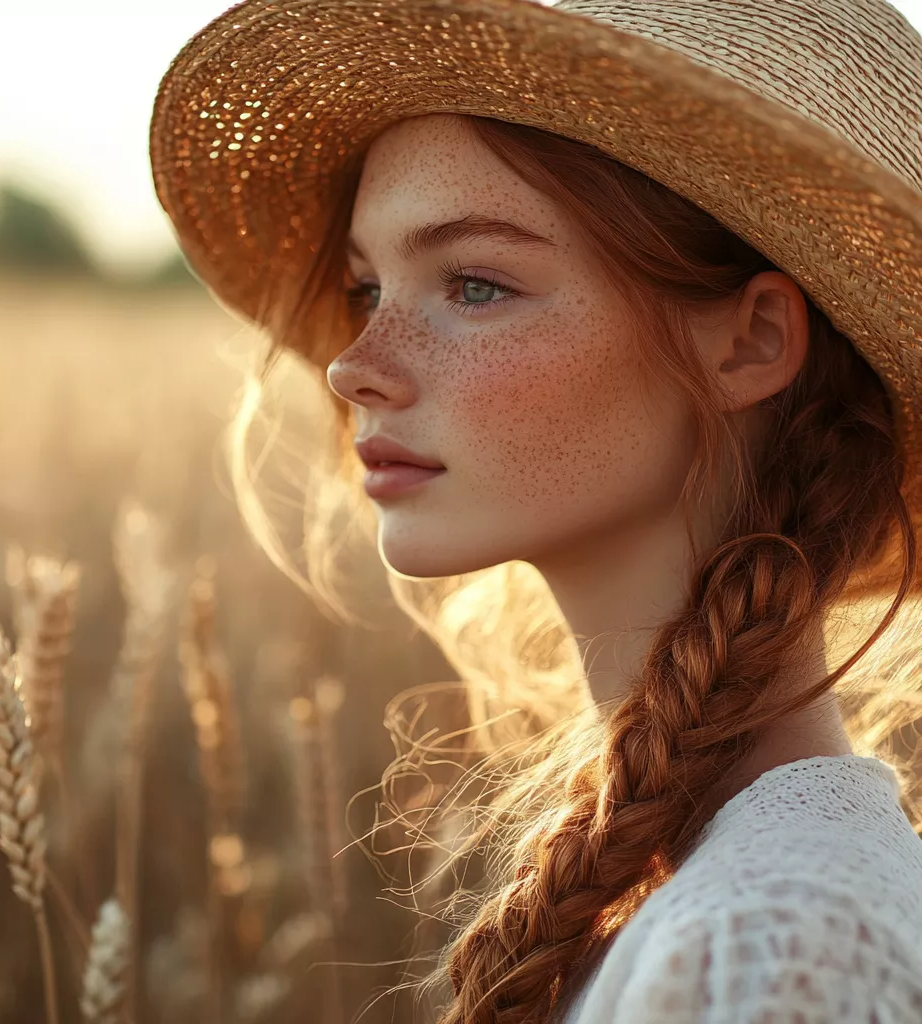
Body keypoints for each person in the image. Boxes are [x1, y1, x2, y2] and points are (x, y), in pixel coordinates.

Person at [149, 0, 922, 1020]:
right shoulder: (737, 902)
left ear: (746, 343)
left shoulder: (774, 948)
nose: (352, 366)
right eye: (365, 288)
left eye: (472, 284)